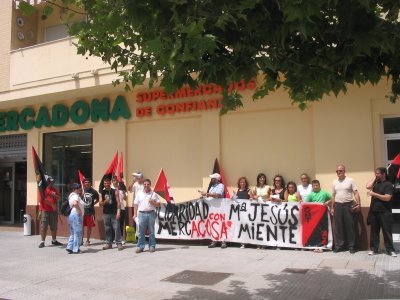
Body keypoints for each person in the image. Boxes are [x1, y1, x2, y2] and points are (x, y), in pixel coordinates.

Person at [366, 167, 397, 257]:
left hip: (385, 212)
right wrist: (375, 178)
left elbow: (387, 198)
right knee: (374, 231)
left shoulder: (388, 184)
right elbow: (368, 186)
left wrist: (374, 194)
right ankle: (373, 249)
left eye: (378, 173)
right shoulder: (375, 183)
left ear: (384, 174)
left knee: (387, 231)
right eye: (375, 173)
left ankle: (390, 250)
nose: (376, 175)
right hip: (374, 211)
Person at [331, 164, 361, 254]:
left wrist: (358, 204)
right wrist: (332, 207)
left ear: (344, 171)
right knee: (338, 227)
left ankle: (351, 246)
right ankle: (339, 246)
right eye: (337, 171)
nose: (338, 172)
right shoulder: (334, 182)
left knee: (350, 226)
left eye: (340, 171)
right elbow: (333, 195)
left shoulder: (350, 180)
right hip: (338, 206)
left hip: (348, 206)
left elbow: (355, 192)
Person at [199, 173, 227, 249]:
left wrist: (207, 194)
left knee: (221, 223)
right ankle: (214, 240)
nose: (211, 180)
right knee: (213, 223)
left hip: (219, 208)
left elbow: (217, 195)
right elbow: (210, 195)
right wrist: (204, 196)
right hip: (213, 209)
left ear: (217, 179)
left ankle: (223, 241)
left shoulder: (221, 186)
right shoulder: (211, 187)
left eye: (213, 178)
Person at [133, 178, 160, 253]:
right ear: (143, 185)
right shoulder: (139, 193)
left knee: (151, 231)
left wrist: (153, 202)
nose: (146, 186)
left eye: (148, 184)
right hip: (141, 214)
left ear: (150, 185)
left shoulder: (153, 194)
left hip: (151, 213)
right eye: (145, 184)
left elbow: (158, 204)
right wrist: (135, 214)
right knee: (141, 231)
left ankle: (152, 246)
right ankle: (140, 246)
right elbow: (135, 204)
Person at [38, 176, 63, 248]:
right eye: (50, 182)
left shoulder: (54, 189)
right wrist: (52, 204)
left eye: (52, 182)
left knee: (54, 226)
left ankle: (54, 240)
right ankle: (42, 241)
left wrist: (54, 195)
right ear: (47, 182)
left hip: (53, 211)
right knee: (43, 226)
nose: (51, 183)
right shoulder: (43, 190)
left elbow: (59, 197)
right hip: (45, 210)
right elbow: (42, 200)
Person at [99, 177, 123, 251]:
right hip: (106, 213)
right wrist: (105, 202)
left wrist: (118, 212)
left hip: (114, 212)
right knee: (107, 229)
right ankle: (109, 243)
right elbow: (100, 204)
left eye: (108, 183)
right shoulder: (101, 192)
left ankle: (119, 243)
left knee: (117, 228)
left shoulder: (115, 191)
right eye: (105, 183)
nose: (106, 184)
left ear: (110, 183)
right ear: (104, 184)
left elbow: (119, 202)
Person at [232, 177, 251, 249]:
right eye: (241, 182)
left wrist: (251, 196)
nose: (242, 183)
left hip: (246, 212)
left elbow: (251, 199)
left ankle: (245, 242)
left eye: (244, 182)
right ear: (239, 183)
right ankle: (241, 242)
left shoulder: (249, 191)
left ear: (246, 183)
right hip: (239, 213)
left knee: (245, 227)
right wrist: (233, 197)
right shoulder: (237, 191)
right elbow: (234, 200)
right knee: (239, 227)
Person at [66, 183, 84, 254]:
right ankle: (76, 249)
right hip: (76, 215)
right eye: (78, 188)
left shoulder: (71, 195)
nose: (79, 189)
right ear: (74, 189)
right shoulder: (75, 196)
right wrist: (79, 210)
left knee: (73, 232)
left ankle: (70, 247)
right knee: (78, 232)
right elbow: (75, 203)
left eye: (79, 187)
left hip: (72, 215)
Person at [82, 178, 99, 247]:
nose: (87, 183)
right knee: (81, 227)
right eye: (85, 182)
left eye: (88, 182)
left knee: (89, 227)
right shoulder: (81, 191)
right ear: (83, 183)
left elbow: (98, 199)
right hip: (82, 212)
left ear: (90, 183)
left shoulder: (94, 191)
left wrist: (93, 204)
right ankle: (80, 240)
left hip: (90, 212)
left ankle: (87, 240)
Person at [112, 177, 128, 243]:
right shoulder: (111, 189)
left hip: (122, 208)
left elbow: (125, 198)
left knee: (121, 224)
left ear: (118, 181)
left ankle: (121, 238)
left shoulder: (122, 188)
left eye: (116, 180)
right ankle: (113, 238)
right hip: (113, 209)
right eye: (113, 181)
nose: (115, 182)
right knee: (114, 224)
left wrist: (124, 193)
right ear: (112, 182)